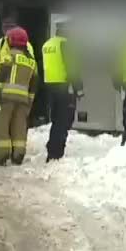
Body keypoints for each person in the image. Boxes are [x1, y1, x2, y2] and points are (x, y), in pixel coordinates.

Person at [0, 26, 38, 166]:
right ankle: (18, 154)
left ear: (11, 41)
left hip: (6, 97)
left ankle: (1, 154)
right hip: (23, 99)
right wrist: (30, 100)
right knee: (19, 126)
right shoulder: (32, 62)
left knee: (2, 125)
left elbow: (0, 76)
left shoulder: (9, 57)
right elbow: (34, 83)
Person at [41, 19, 83, 162]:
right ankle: (56, 152)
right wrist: (79, 88)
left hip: (50, 87)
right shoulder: (65, 44)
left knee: (56, 120)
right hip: (64, 87)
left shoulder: (47, 45)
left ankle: (52, 149)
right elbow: (72, 68)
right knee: (64, 120)